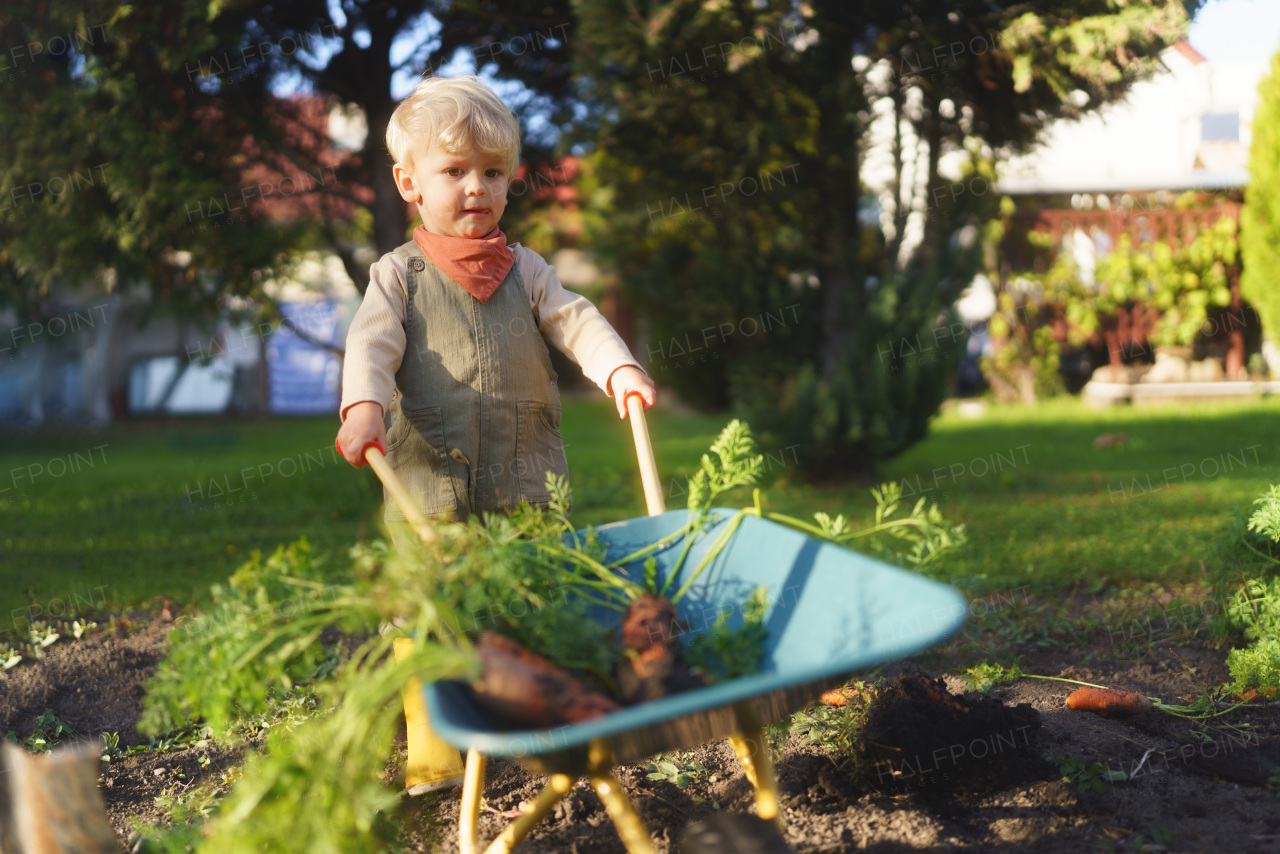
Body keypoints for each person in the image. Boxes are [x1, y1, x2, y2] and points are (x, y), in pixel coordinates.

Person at [336, 75, 655, 539]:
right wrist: (363, 406)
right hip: (433, 493)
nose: (477, 187)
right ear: (409, 183)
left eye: (492, 172)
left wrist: (618, 369)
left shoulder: (527, 270)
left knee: (532, 592)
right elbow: (371, 343)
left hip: (523, 488)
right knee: (435, 603)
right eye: (454, 171)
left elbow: (577, 319)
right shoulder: (398, 274)